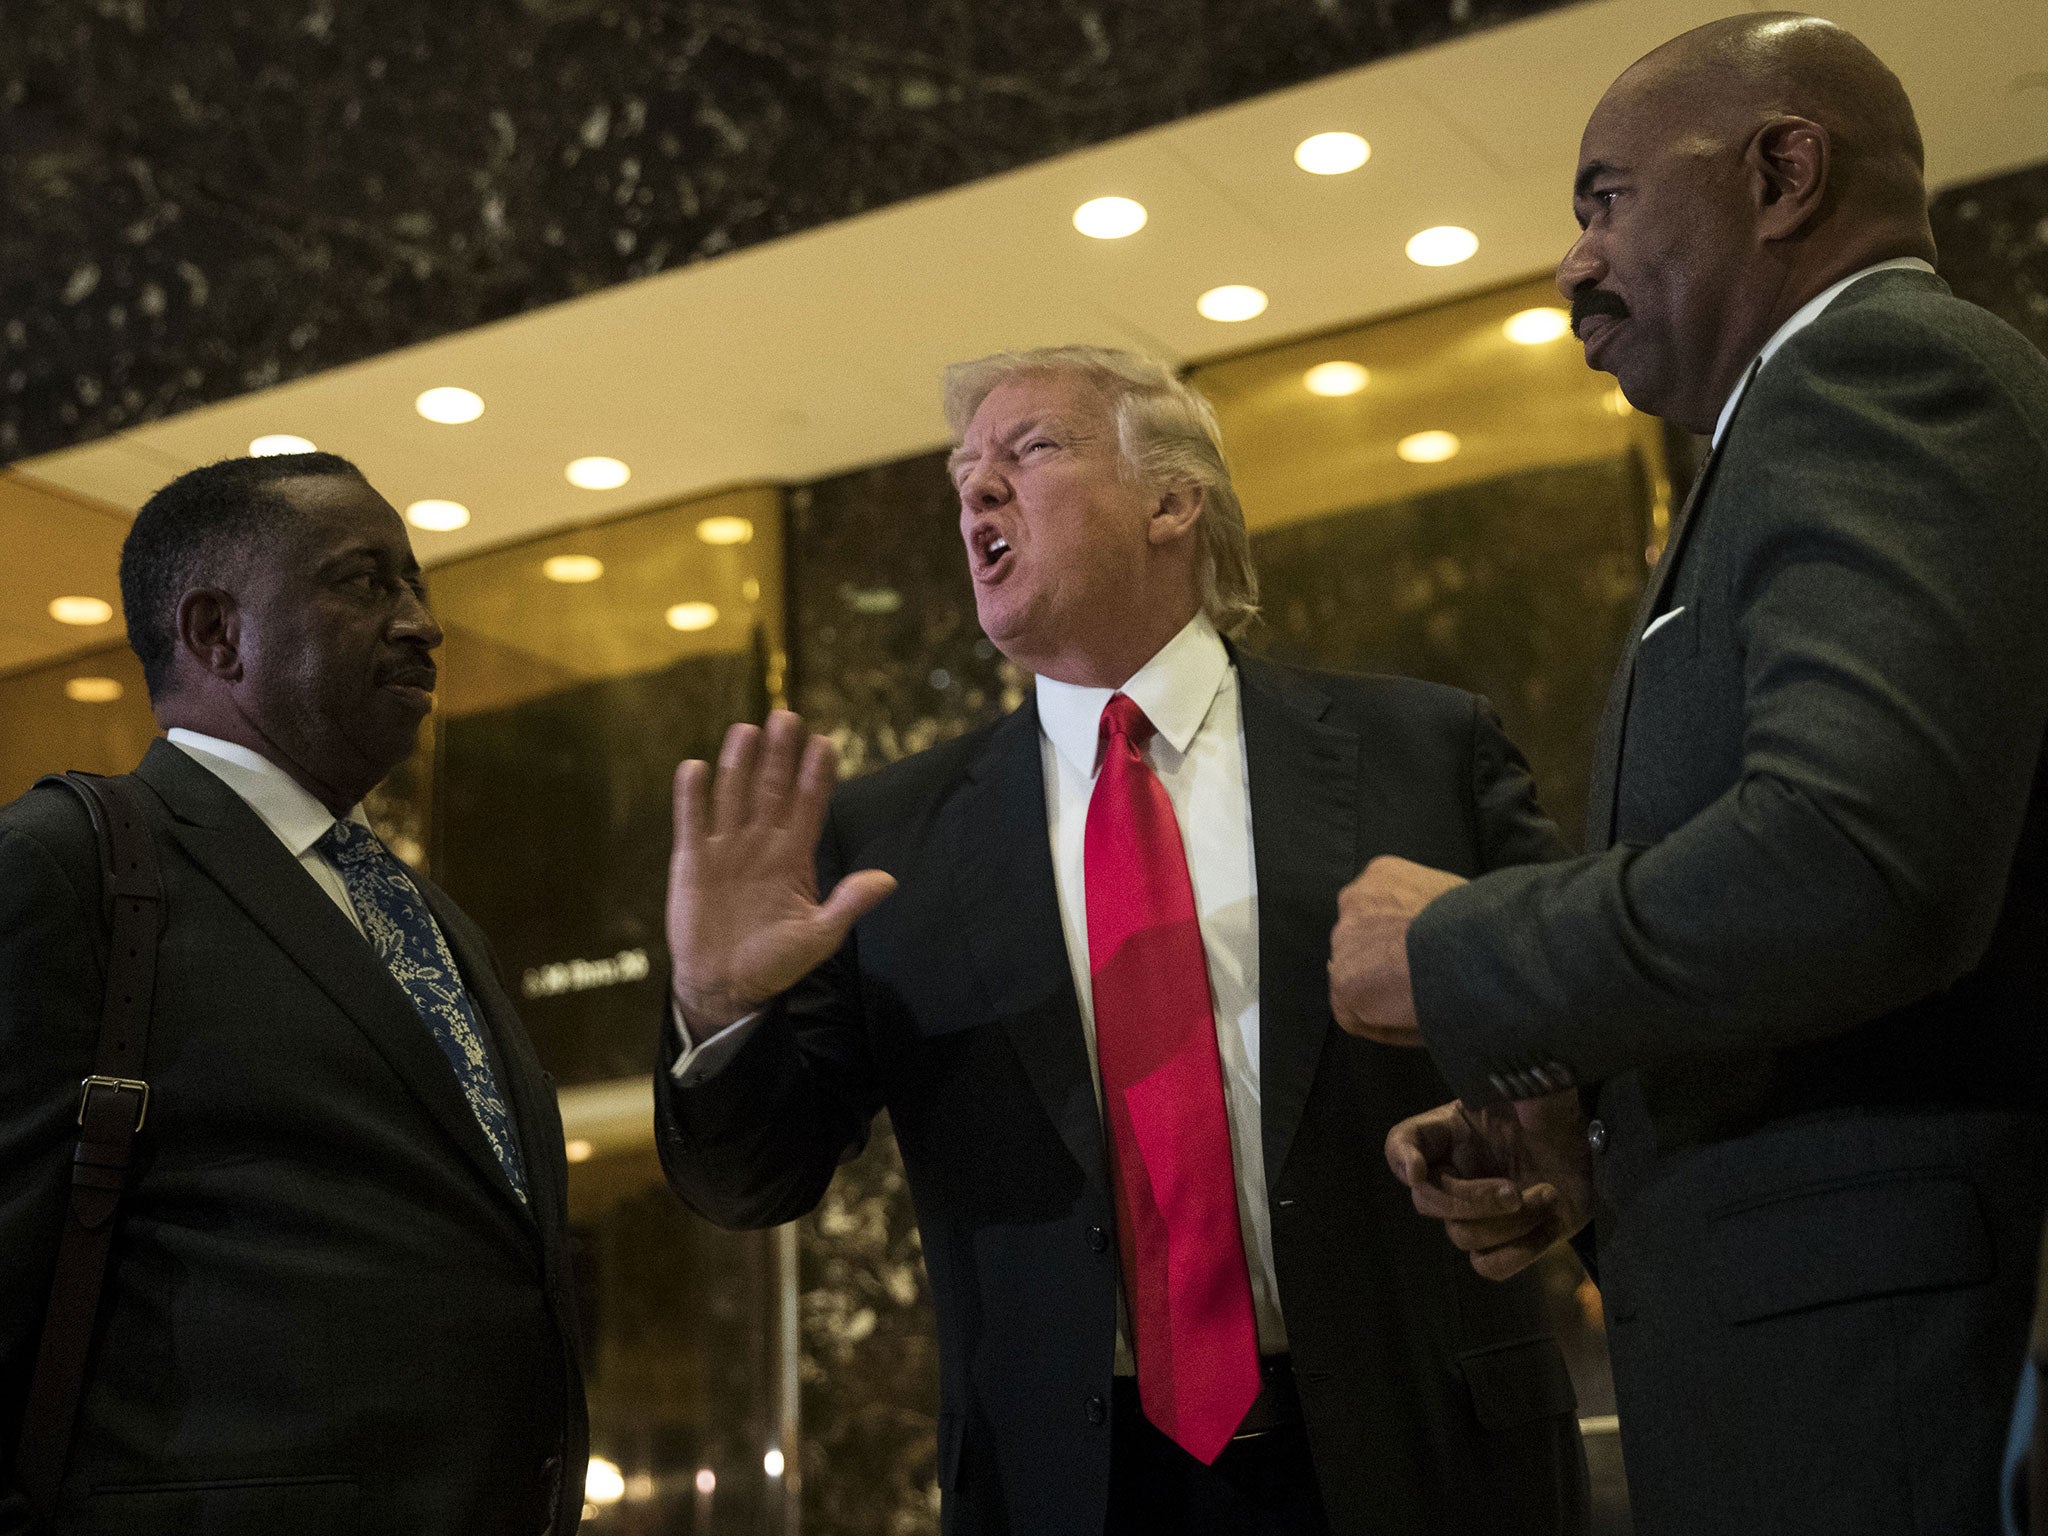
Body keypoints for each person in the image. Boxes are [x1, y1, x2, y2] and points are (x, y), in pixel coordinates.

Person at [655, 346, 1589, 1535]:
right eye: (961, 473)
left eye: (1027, 450)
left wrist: (1545, 1136)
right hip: (1071, 1489)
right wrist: (717, 1010)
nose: (974, 491)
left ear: (1171, 499)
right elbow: (754, 1180)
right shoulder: (892, 837)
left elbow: (1589, 1026)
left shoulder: (1420, 751)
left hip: (1423, 1456)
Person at [1326, 14, 2048, 1535]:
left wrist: (1459, 951)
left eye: (1607, 201)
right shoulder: (1799, 424)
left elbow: (1857, 866)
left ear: (1784, 172)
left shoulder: (1878, 374)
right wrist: (1596, 1134)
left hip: (1887, 1376)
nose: (1573, 266)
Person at [0, 454, 586, 1534]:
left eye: (417, 584)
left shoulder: (422, 915)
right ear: (217, 632)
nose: (422, 624)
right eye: (366, 582)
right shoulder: (65, 866)